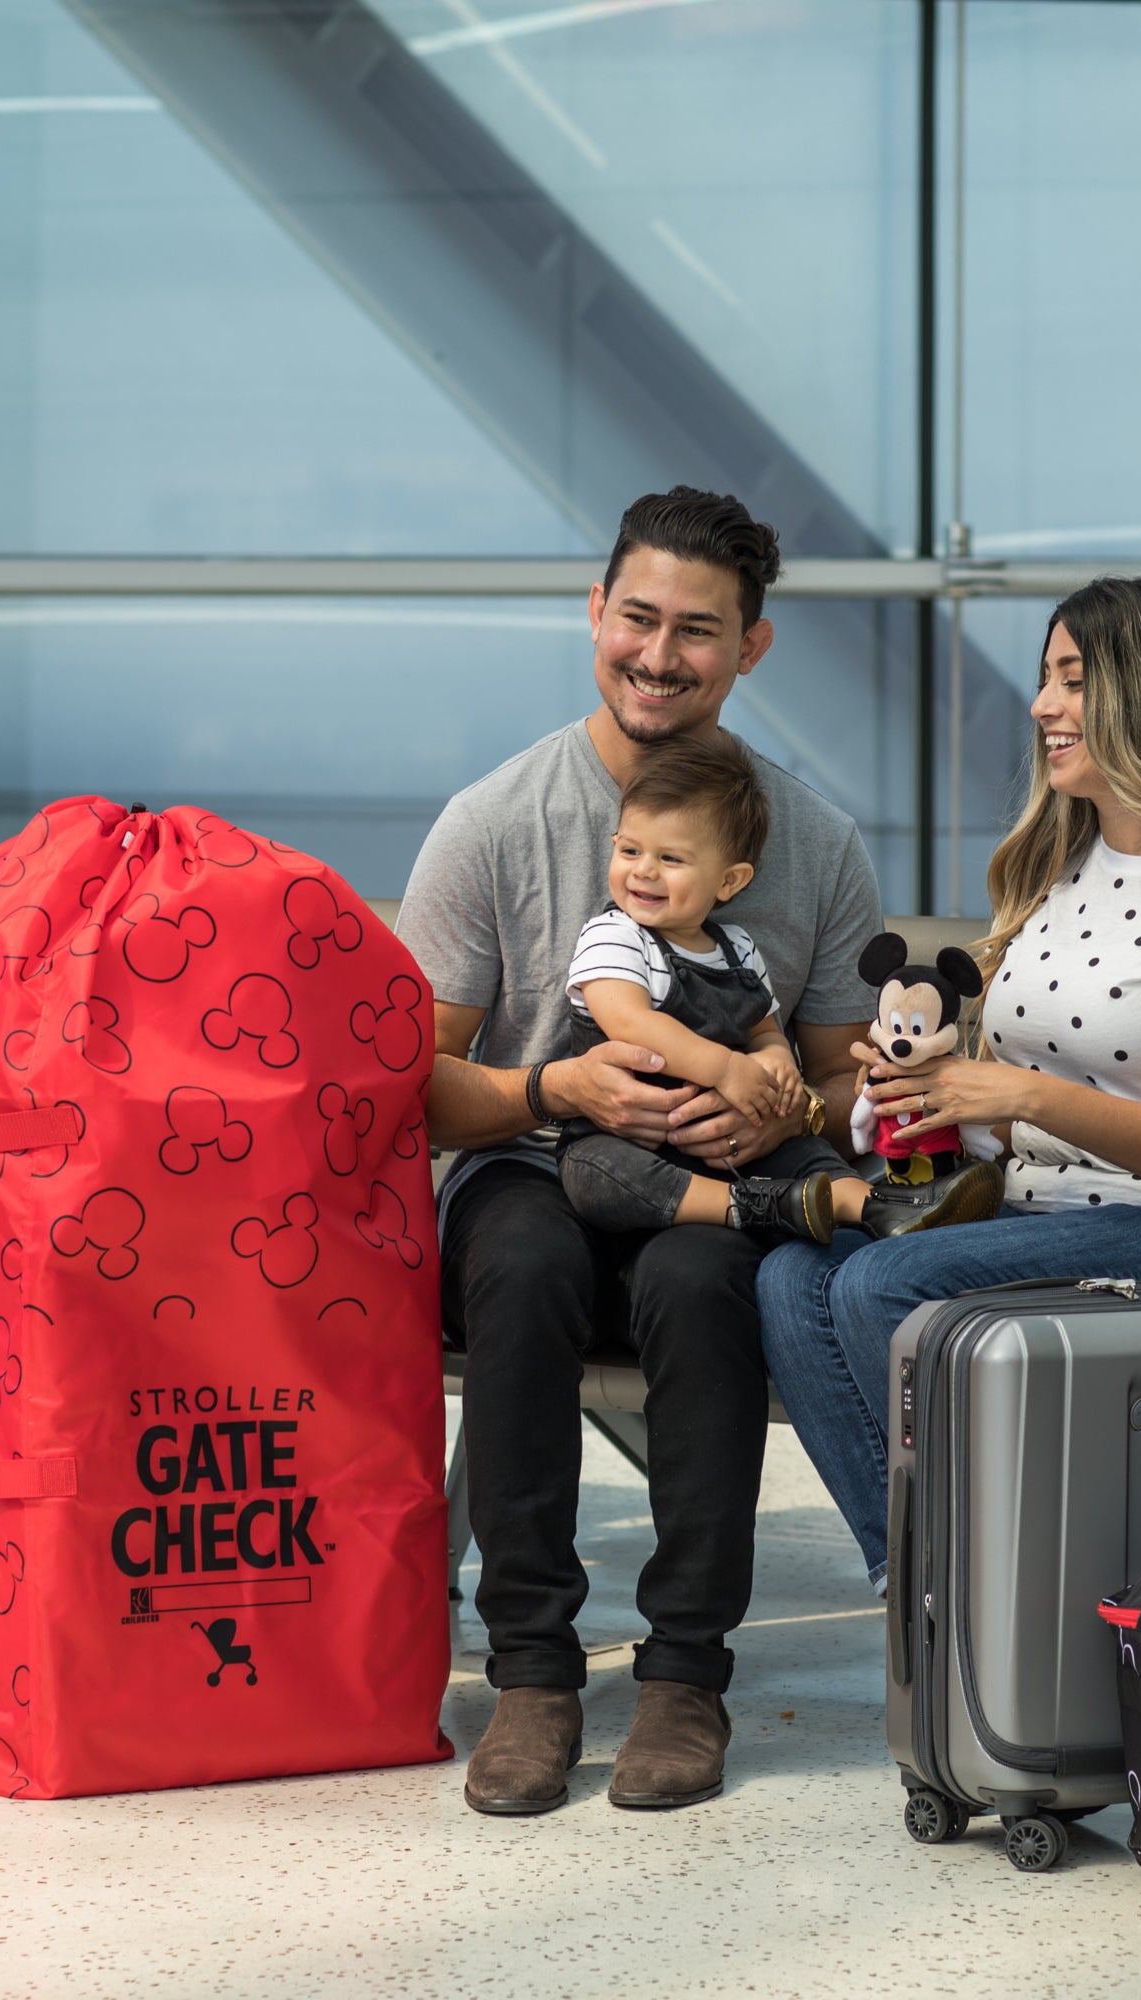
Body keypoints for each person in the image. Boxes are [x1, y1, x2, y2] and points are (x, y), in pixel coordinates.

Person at [397, 486, 884, 1817]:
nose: (661, 656)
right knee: (521, 1255)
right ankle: (535, 1675)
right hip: (528, 1173)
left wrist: (788, 1109)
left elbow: (852, 1083)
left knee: (700, 1280)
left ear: (752, 649)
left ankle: (684, 1677)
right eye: (639, 619)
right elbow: (410, 1093)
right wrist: (557, 1084)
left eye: (699, 632)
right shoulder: (494, 821)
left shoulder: (815, 843)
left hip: (702, 1201)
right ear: (595, 614)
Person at [757, 576, 1141, 1587]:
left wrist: (1020, 1097)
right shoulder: (1062, 867)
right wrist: (934, 1092)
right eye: (1047, 678)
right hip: (1050, 1215)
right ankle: (927, 1583)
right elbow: (1021, 1101)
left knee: (883, 1285)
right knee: (794, 1278)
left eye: (1070, 679)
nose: (1041, 705)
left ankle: (985, 1590)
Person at [556, 733, 994, 1244]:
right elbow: (631, 1022)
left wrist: (778, 1066)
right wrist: (727, 1068)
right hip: (628, 1134)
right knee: (596, 1173)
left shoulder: (737, 949)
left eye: (670, 859)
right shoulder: (614, 936)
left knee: (805, 1151)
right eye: (629, 850)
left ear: (730, 881)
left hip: (730, 1135)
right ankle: (749, 1207)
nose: (644, 870)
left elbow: (763, 1030)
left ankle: (886, 1207)